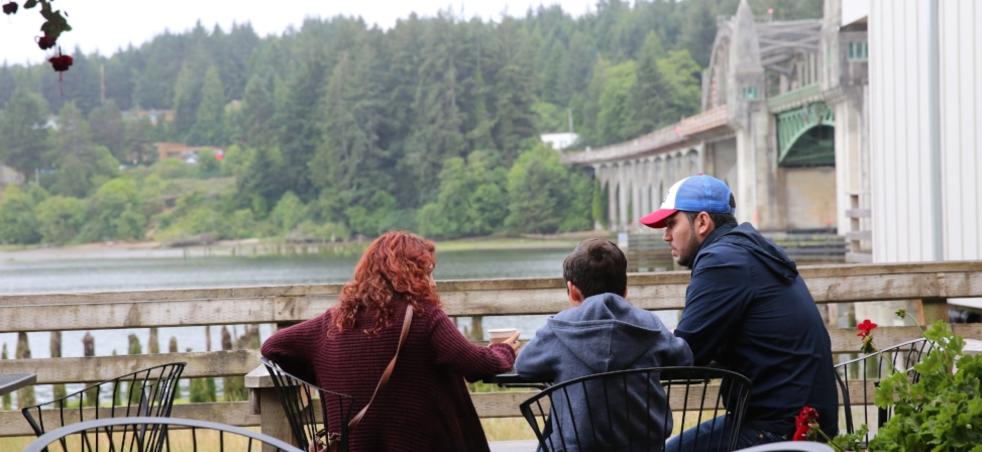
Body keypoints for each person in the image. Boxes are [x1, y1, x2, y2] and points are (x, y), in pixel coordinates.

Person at [261, 231, 520, 452]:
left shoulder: (334, 320)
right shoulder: (424, 317)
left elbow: (272, 347)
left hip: (351, 445)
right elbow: (477, 365)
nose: (433, 282)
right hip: (417, 443)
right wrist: (504, 350)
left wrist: (326, 376)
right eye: (427, 273)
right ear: (411, 275)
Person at [639, 175, 838, 449]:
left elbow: (687, 352)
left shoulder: (721, 261)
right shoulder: (749, 249)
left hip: (777, 429)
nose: (666, 235)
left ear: (702, 222)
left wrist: (631, 354)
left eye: (672, 223)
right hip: (806, 421)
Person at [515, 238, 693, 450]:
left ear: (573, 291)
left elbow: (524, 366)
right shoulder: (650, 326)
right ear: (625, 290)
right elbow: (684, 358)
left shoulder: (559, 328)